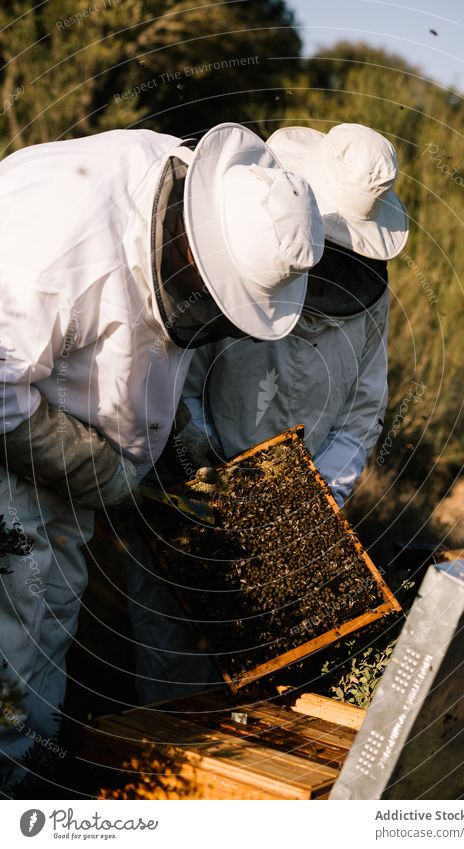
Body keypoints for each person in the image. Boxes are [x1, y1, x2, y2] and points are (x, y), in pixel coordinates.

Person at [0, 122, 324, 792]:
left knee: (50, 617)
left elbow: (140, 349)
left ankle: (29, 774)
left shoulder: (205, 193)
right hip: (12, 442)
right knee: (18, 637)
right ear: (194, 249)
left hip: (55, 422)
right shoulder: (54, 256)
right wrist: (94, 465)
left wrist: (174, 435)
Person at [129, 123, 409, 704]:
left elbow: (366, 403)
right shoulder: (243, 246)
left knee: (272, 685)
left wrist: (321, 489)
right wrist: (199, 453)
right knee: (173, 675)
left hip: (297, 505)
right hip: (192, 493)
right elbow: (178, 365)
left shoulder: (367, 298)